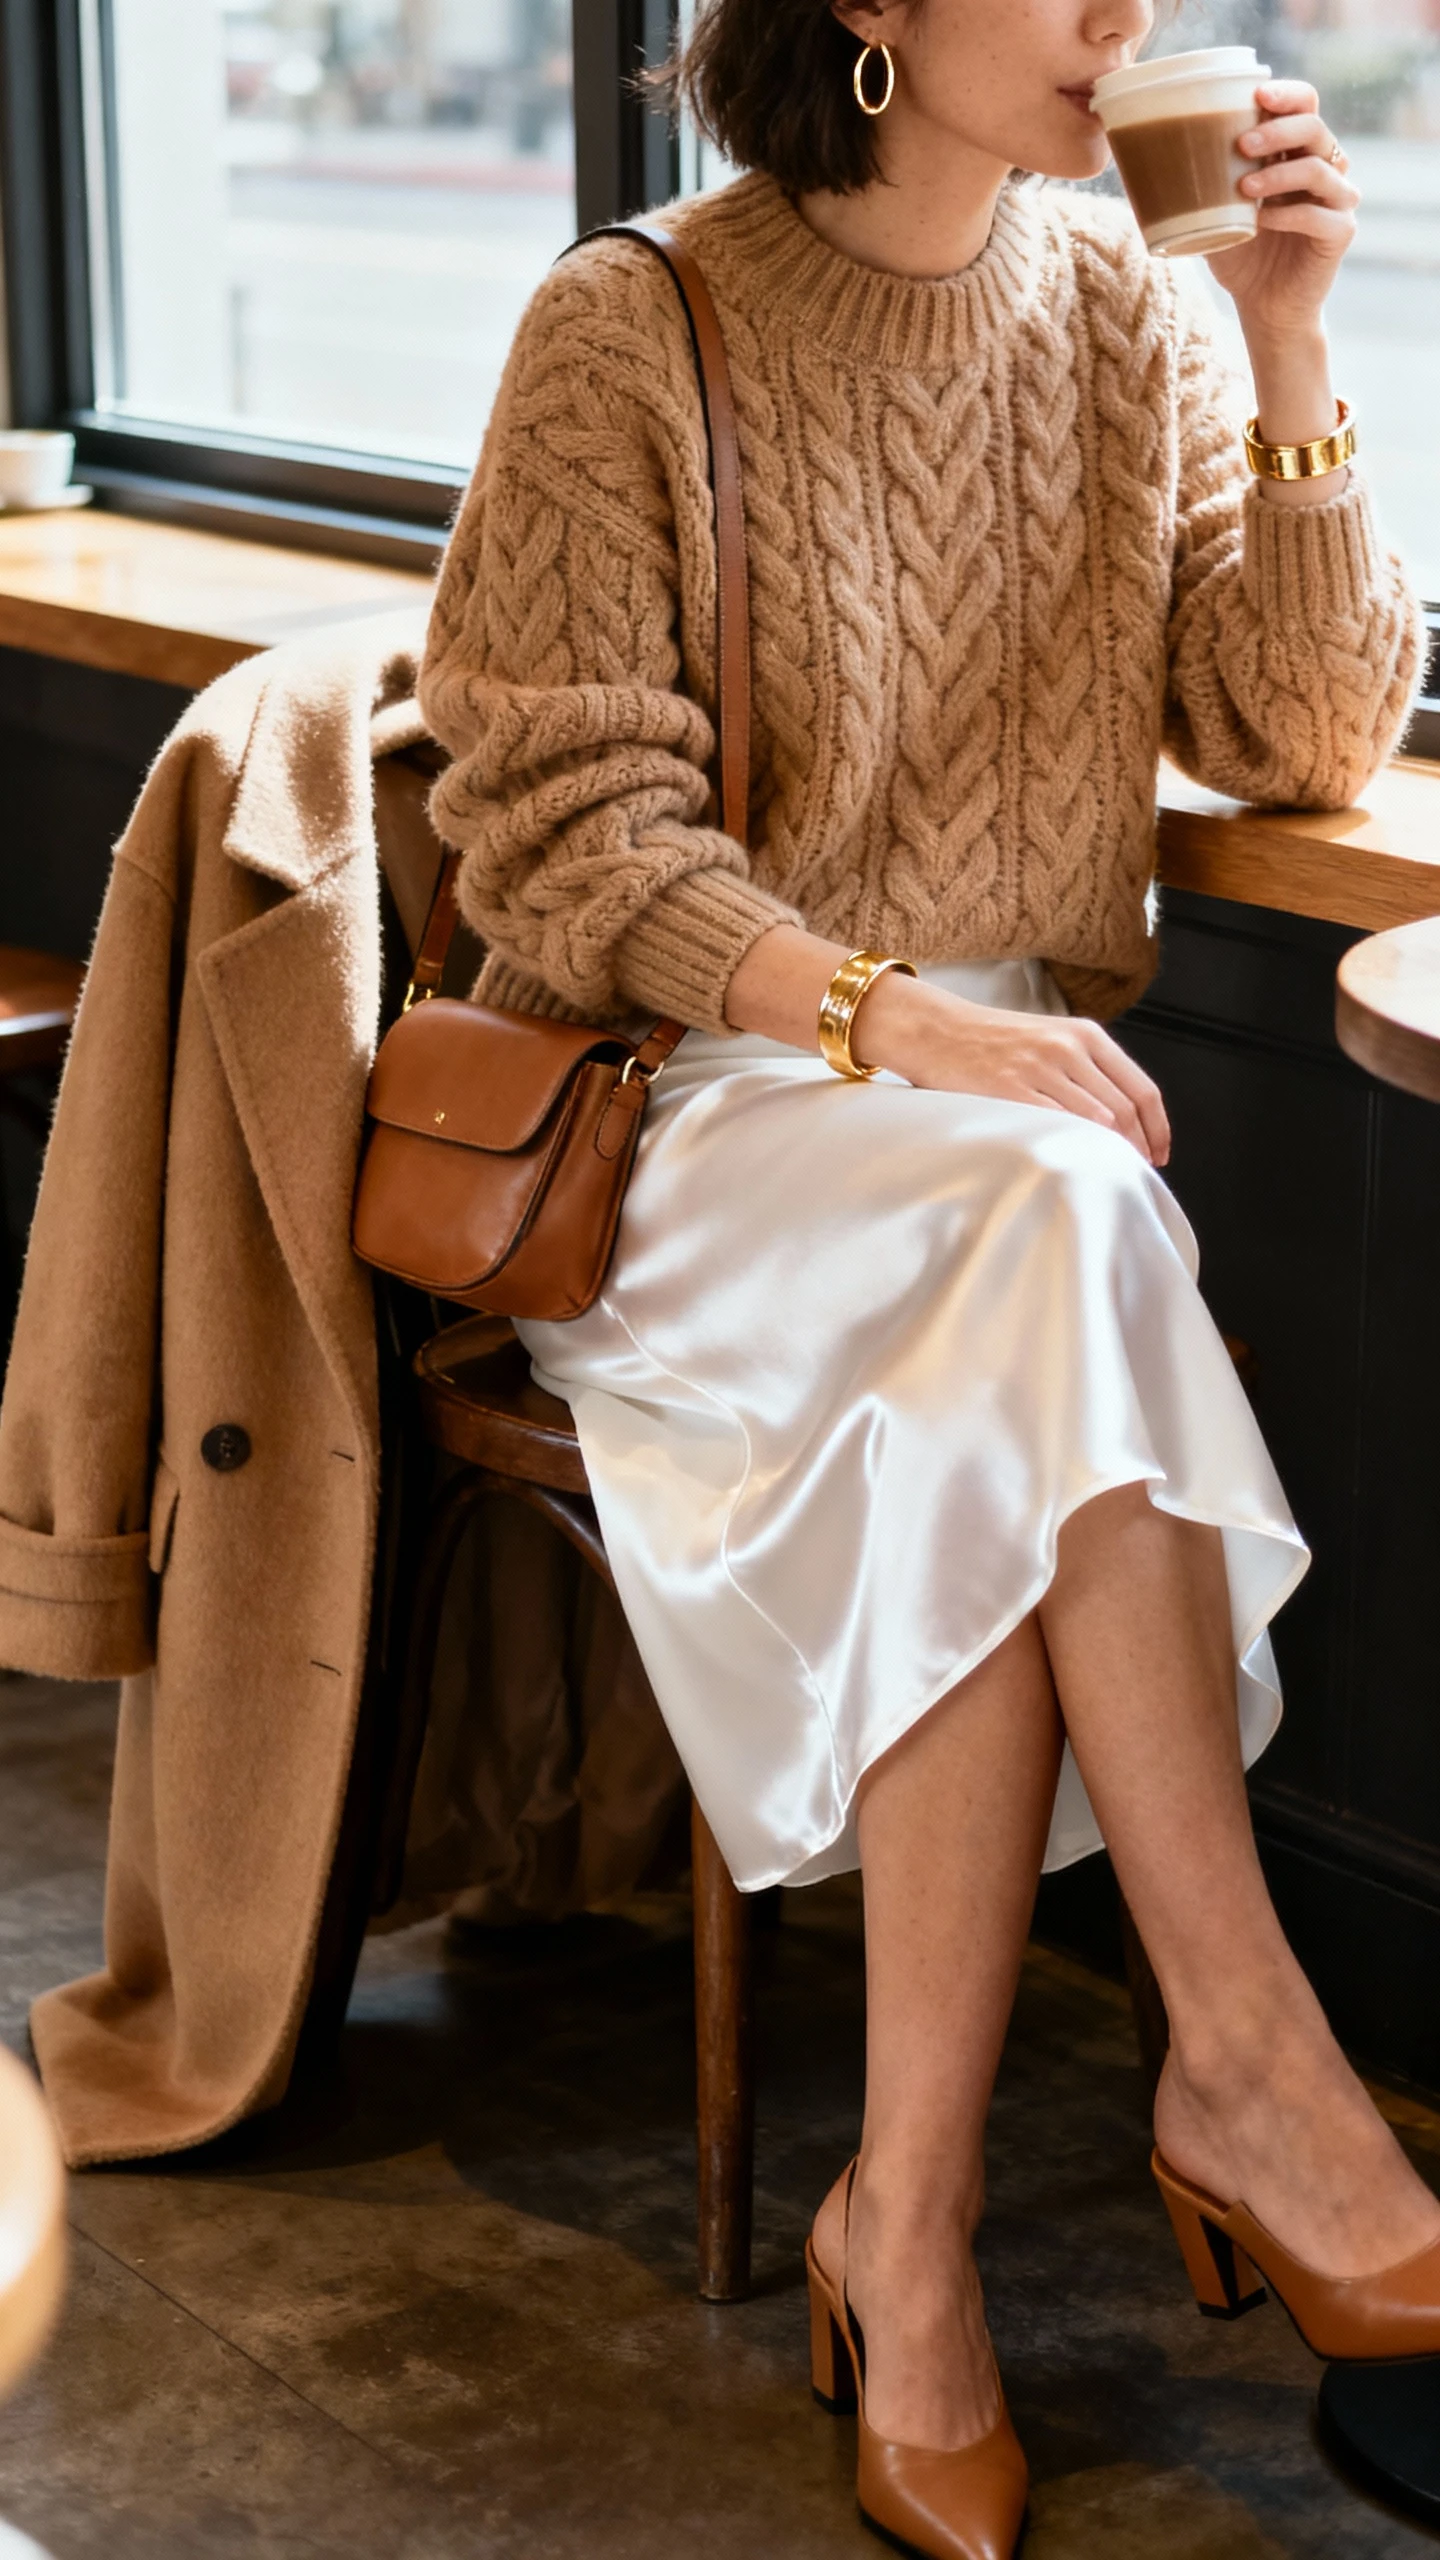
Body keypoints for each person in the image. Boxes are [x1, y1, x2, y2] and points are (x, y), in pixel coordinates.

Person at [419, 4, 1438, 2552]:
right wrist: (894, 1018)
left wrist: (1292, 336)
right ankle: (1253, 2056)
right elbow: (558, 837)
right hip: (713, 1100)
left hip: (997, 1158)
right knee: (1048, 1220)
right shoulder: (628, 324)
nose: (1123, 18)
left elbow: (1306, 732)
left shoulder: (1131, 314)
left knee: (1019, 1266)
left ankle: (913, 2224)